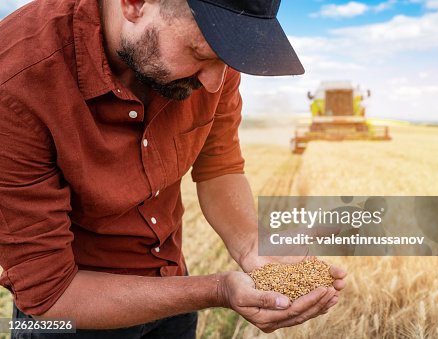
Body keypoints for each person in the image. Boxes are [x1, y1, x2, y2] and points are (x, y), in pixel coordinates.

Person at [0, 0, 347, 337]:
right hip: (76, 319)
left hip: (174, 290)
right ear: (134, 4)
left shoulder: (215, 50)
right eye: (199, 54)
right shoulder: (15, 84)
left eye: (225, 60)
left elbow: (219, 165)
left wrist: (250, 244)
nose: (215, 82)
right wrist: (218, 290)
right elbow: (52, 294)